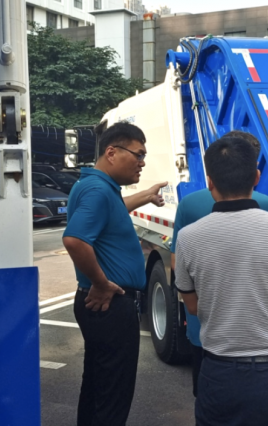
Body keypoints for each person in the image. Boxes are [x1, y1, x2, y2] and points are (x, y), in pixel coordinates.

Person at [174, 137, 268, 426]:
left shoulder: (189, 237)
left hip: (218, 373)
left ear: (209, 181)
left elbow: (193, 305)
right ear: (257, 177)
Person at [62, 122, 166, 426]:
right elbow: (75, 240)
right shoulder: (97, 189)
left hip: (102, 306)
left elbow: (115, 208)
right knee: (113, 394)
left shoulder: (97, 187)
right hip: (110, 304)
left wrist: (145, 196)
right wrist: (100, 282)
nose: (142, 162)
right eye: (138, 154)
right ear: (111, 152)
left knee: (97, 385)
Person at [170, 130, 268, 397]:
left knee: (212, 402)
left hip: (207, 333)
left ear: (211, 178)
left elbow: (177, 265)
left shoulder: (189, 204)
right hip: (262, 336)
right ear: (255, 172)